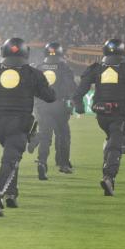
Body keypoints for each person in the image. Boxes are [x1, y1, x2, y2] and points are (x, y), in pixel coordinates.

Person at [0, 38, 55, 217]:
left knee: (10, 156)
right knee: (11, 160)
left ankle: (11, 194)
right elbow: (50, 97)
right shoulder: (32, 73)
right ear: (25, 53)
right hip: (19, 123)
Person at [72, 38, 125, 196]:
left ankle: (108, 167)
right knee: (116, 143)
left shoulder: (96, 68)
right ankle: (109, 175)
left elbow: (79, 91)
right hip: (118, 113)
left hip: (100, 114)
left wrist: (79, 107)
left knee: (111, 140)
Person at [29, 42, 77, 179]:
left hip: (42, 106)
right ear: (61, 53)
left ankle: (42, 162)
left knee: (45, 136)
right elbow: (70, 86)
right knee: (63, 135)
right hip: (59, 105)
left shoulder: (39, 67)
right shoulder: (64, 67)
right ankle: (63, 164)